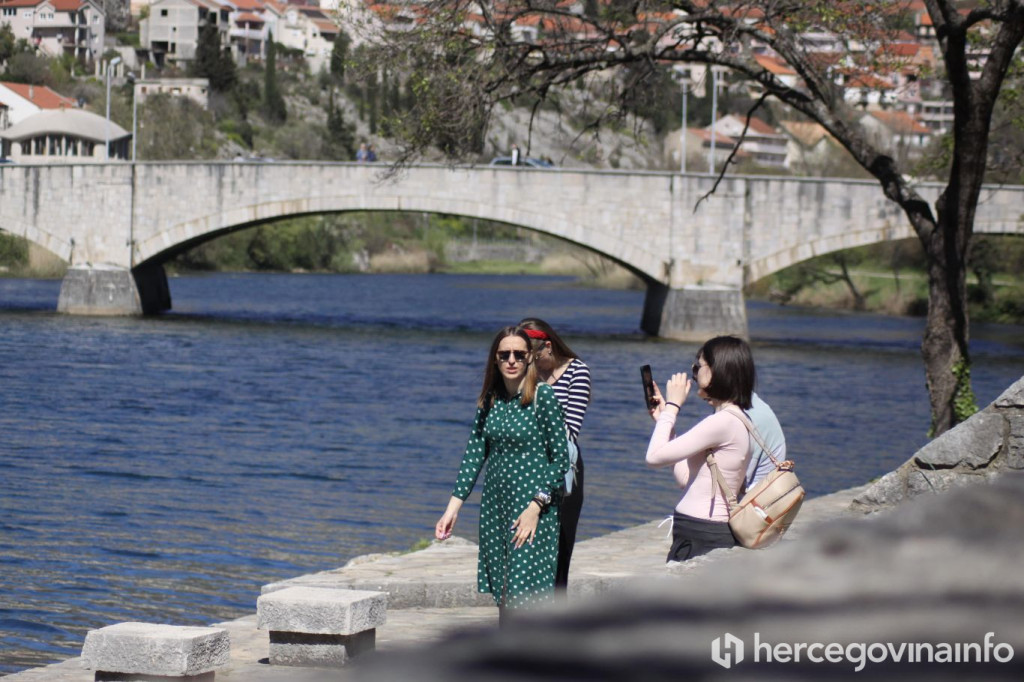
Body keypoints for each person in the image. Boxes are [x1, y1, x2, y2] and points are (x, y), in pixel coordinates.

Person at [435, 326, 570, 622]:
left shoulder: (542, 397)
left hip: (533, 509)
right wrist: (452, 508)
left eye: (519, 355)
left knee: (526, 594)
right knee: (506, 594)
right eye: (504, 354)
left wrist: (536, 507)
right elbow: (474, 454)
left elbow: (561, 460)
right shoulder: (490, 399)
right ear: (494, 360)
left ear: (529, 359)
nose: (511, 360)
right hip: (497, 508)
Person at [645, 335, 756, 562]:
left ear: (719, 371)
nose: (694, 373)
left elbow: (653, 458)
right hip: (698, 530)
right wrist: (666, 423)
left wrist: (673, 407)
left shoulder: (722, 422)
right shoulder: (733, 419)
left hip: (703, 532)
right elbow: (686, 478)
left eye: (698, 366)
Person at [517, 318, 591, 590]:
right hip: (526, 467)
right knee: (523, 548)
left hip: (563, 470)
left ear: (547, 347)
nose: (528, 363)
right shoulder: (526, 374)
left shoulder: (577, 371)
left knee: (559, 550)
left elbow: (571, 430)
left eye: (532, 356)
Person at [745, 392, 787, 490]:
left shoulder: (748, 418)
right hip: (768, 491)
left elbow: (735, 482)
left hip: (753, 499)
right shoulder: (758, 405)